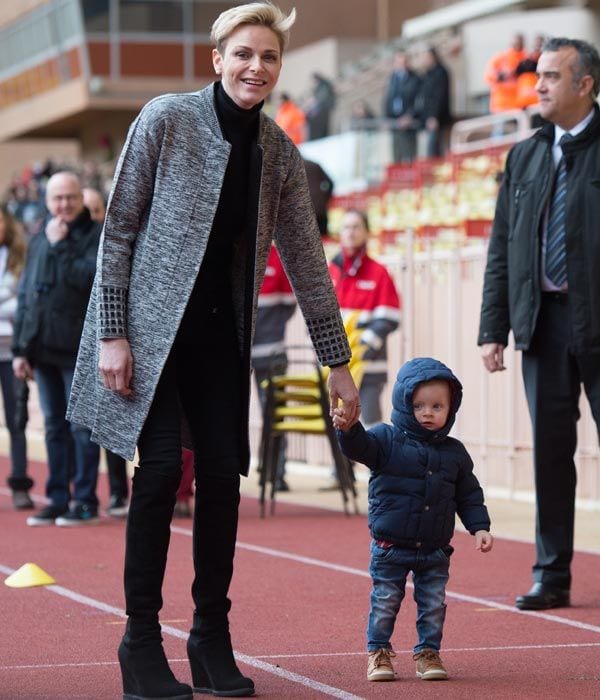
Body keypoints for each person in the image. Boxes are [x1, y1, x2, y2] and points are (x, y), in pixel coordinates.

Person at [66, 4, 360, 699]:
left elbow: (307, 258)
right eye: (244, 54)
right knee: (163, 468)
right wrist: (113, 331)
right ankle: (139, 642)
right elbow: (120, 231)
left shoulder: (279, 150)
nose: (256, 67)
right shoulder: (166, 118)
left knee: (225, 477)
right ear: (218, 58)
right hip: (148, 336)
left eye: (269, 57)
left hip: (222, 338)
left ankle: (210, 638)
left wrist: (336, 359)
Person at [478, 38, 600, 611]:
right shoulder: (524, 156)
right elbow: (503, 246)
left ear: (586, 84)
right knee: (551, 455)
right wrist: (493, 327)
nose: (539, 85)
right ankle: (552, 575)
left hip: (598, 321)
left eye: (553, 75)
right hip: (545, 326)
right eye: (539, 75)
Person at [334, 357, 492, 682]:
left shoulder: (455, 454)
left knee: (433, 604)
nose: (428, 413)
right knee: (385, 601)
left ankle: (428, 652)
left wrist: (480, 527)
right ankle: (378, 652)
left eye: (437, 406)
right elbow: (359, 448)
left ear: (451, 408)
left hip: (434, 549)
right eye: (419, 405)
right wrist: (349, 429)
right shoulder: (386, 441)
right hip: (390, 545)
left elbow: (469, 495)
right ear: (405, 405)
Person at [12, 172, 101, 526]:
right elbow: (27, 296)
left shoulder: (95, 235)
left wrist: (62, 246)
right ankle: (57, 498)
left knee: (82, 427)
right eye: (57, 199)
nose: (64, 205)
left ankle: (85, 500)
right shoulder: (39, 239)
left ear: (80, 198)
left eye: (70, 198)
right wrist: (21, 348)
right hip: (43, 349)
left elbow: (89, 280)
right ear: (46, 201)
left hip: (79, 349)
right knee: (52, 427)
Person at [83, 186, 130, 518]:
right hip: (75, 341)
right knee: (79, 427)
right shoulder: (51, 239)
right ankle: (82, 495)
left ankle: (118, 492)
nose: (89, 215)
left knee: (113, 422)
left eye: (94, 209)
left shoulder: (108, 243)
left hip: (111, 340)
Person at [329, 210, 401, 426]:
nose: (350, 232)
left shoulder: (378, 272)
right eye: (346, 227)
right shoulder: (330, 271)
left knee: (370, 425)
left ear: (367, 233)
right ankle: (343, 462)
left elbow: (390, 317)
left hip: (370, 365)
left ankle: (373, 462)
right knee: (339, 423)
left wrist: (362, 347)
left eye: (356, 227)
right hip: (335, 366)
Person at [252, 243, 297, 492]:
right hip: (234, 353)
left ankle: (276, 472)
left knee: (274, 413)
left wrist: (270, 329)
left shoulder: (277, 257)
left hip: (271, 351)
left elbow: (290, 302)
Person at [0, 206, 32, 509]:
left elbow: (25, 303)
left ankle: (20, 483)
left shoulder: (20, 258)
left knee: (16, 419)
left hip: (13, 350)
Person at [383, 49, 422, 164]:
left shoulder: (415, 79)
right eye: (399, 62)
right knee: (397, 156)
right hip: (395, 123)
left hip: (409, 124)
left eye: (404, 62)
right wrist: (387, 118)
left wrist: (410, 116)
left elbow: (418, 101)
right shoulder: (392, 79)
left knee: (409, 155)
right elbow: (387, 99)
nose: (402, 65)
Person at [414, 47, 451, 158]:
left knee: (434, 150)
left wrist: (434, 116)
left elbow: (439, 97)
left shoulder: (440, 72)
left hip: (436, 119)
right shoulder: (427, 74)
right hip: (427, 118)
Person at [484, 34, 527, 114]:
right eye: (516, 42)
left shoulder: (526, 59)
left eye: (520, 42)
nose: (517, 45)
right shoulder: (500, 58)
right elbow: (489, 76)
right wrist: (503, 75)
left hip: (521, 105)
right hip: (502, 104)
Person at [303, 158, 334, 237]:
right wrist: (324, 199)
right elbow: (330, 183)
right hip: (320, 210)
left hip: (303, 212)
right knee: (324, 241)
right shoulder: (314, 165)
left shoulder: (291, 168)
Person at [305, 72, 336, 140]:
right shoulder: (322, 86)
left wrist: (312, 101)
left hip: (324, 110)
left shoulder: (323, 86)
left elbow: (321, 98)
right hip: (323, 109)